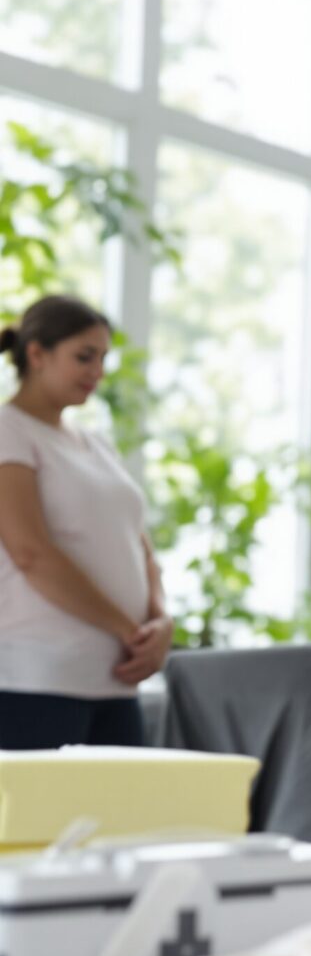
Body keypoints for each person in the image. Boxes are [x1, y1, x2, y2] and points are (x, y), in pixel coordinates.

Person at [0, 296, 171, 748]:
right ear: (36, 354)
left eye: (102, 358)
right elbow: (29, 552)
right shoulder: (8, 429)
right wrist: (130, 631)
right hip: (40, 679)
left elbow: (139, 543)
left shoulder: (95, 445)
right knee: (43, 820)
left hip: (116, 679)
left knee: (128, 818)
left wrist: (160, 620)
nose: (97, 371)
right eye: (84, 356)